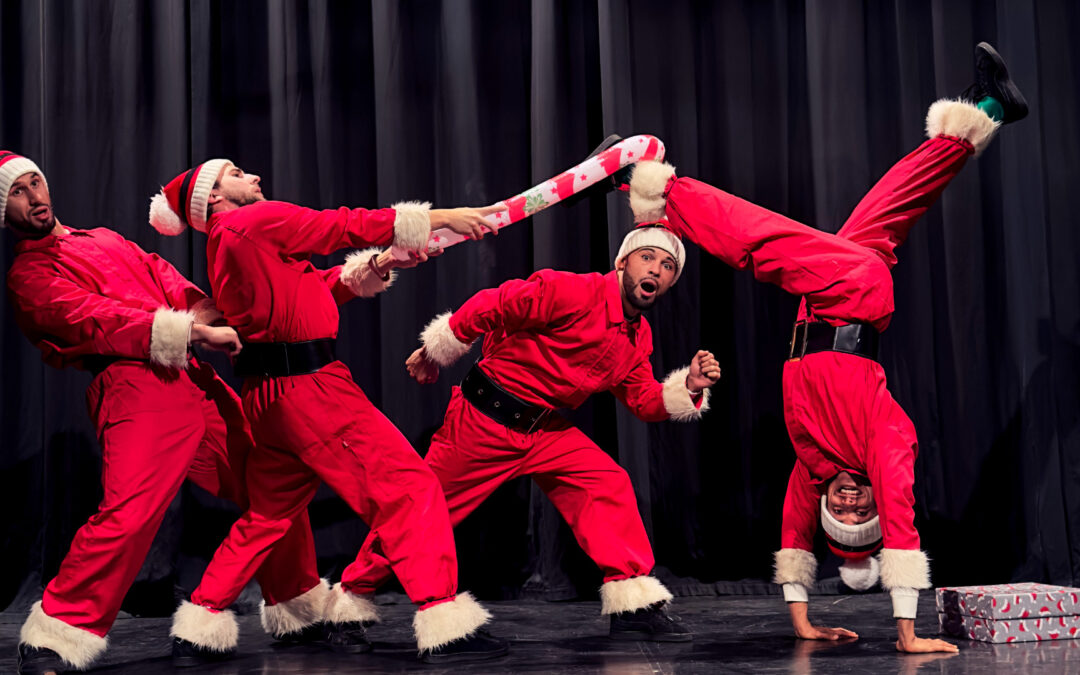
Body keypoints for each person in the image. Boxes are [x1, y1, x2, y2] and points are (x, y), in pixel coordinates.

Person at [627, 42, 1027, 653]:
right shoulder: (885, 446)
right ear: (869, 502)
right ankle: (665, 195)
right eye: (854, 503)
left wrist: (805, 624)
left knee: (891, 202)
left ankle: (989, 111)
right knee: (765, 243)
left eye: (838, 509)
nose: (844, 497)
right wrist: (906, 633)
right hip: (855, 298)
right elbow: (901, 526)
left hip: (821, 304)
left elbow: (792, 541)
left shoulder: (813, 471)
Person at [149, 159, 509, 663]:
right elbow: (338, 225)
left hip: (269, 398)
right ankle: (445, 622)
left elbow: (311, 287)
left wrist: (381, 265)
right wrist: (443, 215)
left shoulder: (231, 242)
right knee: (408, 487)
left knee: (270, 514)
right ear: (212, 197)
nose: (252, 176)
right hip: (311, 391)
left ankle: (202, 620)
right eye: (236, 172)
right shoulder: (252, 221)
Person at [3, 151, 320, 675]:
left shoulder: (102, 238)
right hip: (134, 382)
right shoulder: (29, 273)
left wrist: (215, 314)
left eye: (35, 183)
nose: (34, 197)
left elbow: (165, 277)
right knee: (131, 511)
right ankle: (57, 631)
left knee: (273, 478)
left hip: (191, 376)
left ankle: (300, 603)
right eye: (17, 193)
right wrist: (194, 331)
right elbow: (91, 318)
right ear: (3, 210)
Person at [342, 223, 722, 641]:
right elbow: (494, 304)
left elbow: (643, 402)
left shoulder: (638, 337)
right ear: (622, 262)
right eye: (647, 257)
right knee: (424, 511)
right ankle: (349, 599)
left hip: (544, 431)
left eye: (667, 266)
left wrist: (687, 387)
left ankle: (632, 603)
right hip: (484, 420)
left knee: (605, 481)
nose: (656, 270)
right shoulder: (572, 291)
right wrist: (437, 350)